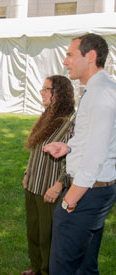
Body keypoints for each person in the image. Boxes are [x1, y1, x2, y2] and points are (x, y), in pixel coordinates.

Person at [43, 33, 116, 274]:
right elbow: (99, 141)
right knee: (84, 267)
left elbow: (95, 158)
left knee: (63, 268)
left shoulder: (101, 94)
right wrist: (69, 148)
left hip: (86, 192)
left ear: (91, 56)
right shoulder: (98, 90)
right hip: (93, 190)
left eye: (70, 55)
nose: (65, 62)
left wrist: (69, 201)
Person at [21, 75, 75, 275]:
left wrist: (59, 185)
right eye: (42, 89)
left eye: (46, 89)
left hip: (49, 189)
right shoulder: (46, 116)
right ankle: (36, 267)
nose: (41, 92)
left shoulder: (70, 122)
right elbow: (35, 149)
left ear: (59, 93)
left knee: (48, 237)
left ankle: (47, 271)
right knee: (33, 231)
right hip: (33, 183)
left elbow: (73, 158)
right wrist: (27, 172)